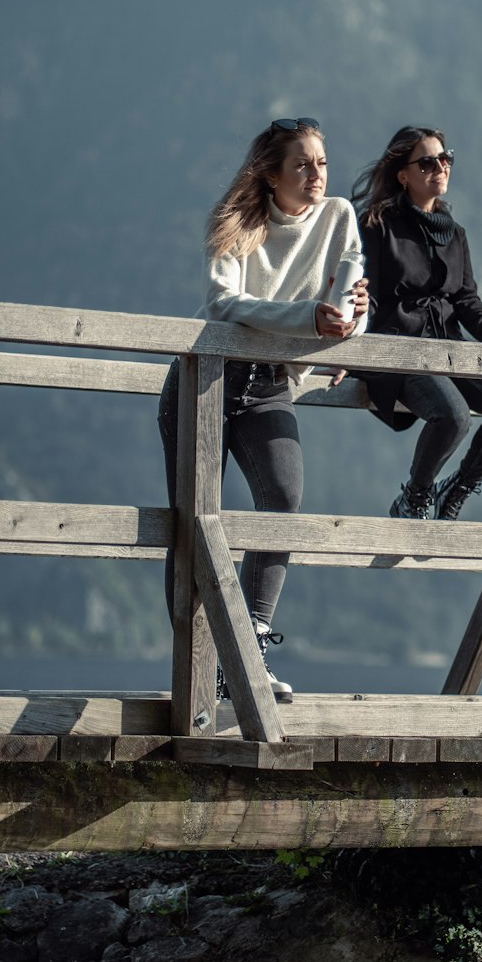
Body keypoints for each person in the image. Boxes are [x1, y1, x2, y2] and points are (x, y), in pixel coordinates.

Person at [158, 117, 368, 702]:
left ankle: (243, 657)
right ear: (272, 175)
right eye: (301, 164)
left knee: (282, 504)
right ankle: (200, 667)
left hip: (271, 384)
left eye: (321, 162)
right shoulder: (237, 224)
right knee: (194, 525)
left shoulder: (340, 217)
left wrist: (350, 326)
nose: (315, 174)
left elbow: (350, 302)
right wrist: (309, 320)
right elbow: (222, 303)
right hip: (206, 382)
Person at [351, 125, 482, 520]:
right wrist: (346, 341)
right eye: (428, 162)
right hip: (399, 348)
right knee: (454, 415)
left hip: (449, 349)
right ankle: (414, 496)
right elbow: (367, 294)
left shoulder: (455, 234)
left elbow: (466, 301)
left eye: (446, 158)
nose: (441, 167)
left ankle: (457, 488)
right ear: (403, 174)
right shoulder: (378, 225)